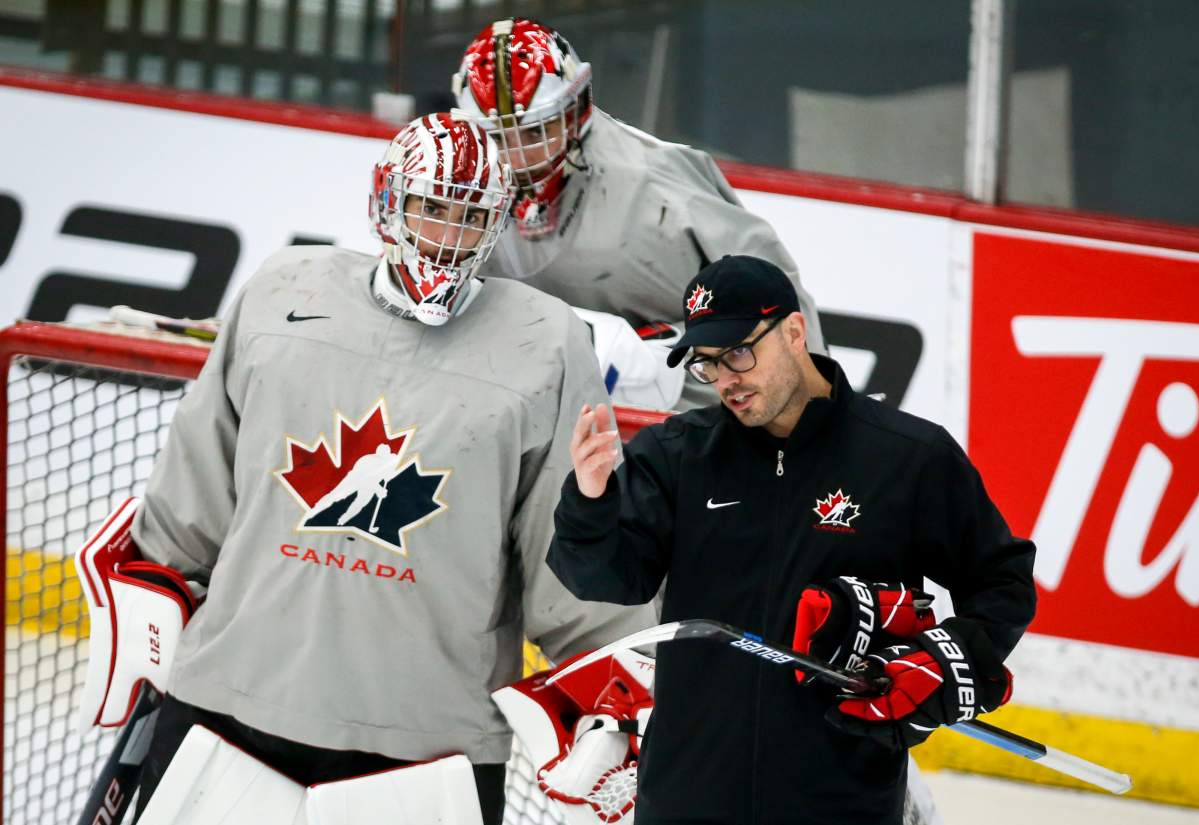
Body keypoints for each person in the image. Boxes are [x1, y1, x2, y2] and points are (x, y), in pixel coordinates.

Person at [123, 112, 655, 824]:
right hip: (230, 704)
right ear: (385, 199)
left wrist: (606, 698)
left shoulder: (545, 344)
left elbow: (573, 541)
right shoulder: (283, 294)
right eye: (430, 207)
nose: (444, 236)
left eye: (469, 217)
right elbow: (196, 486)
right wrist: (148, 595)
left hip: (426, 743)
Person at [547, 255, 1037, 824]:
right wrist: (590, 499)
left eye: (737, 353)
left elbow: (1002, 582)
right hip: (687, 796)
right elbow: (608, 579)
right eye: (706, 364)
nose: (725, 379)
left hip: (839, 802)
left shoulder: (908, 460)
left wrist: (943, 659)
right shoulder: (678, 455)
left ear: (795, 332)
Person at [452, 17, 827, 410]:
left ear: (575, 109)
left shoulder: (655, 183)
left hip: (684, 418)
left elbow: (774, 294)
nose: (518, 158)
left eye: (535, 132)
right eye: (496, 137)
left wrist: (815, 410)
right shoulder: (461, 183)